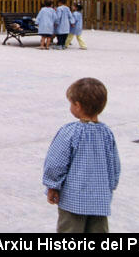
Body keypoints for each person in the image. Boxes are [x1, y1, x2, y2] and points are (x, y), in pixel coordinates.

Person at [43, 77, 120, 233]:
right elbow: (114, 165)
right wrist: (109, 186)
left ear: (77, 106)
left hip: (73, 201)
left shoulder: (70, 132)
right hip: (99, 201)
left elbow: (56, 163)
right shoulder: (107, 133)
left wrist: (52, 185)